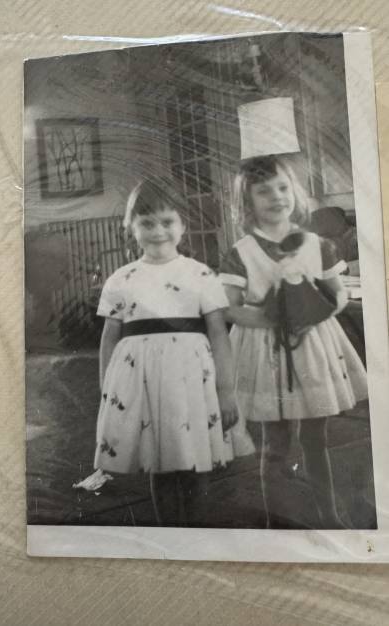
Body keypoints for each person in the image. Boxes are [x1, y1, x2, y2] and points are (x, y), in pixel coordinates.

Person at [94, 178, 254, 527]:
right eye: (147, 223)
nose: (158, 231)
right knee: (161, 462)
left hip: (192, 382)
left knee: (197, 461)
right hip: (143, 384)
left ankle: (196, 531)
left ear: (183, 225)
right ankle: (169, 533)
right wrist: (108, 389)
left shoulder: (200, 274)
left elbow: (218, 334)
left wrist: (226, 390)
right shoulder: (121, 279)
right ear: (131, 227)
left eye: (167, 222)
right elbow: (110, 337)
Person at [219, 155, 367, 529]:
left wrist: (314, 309)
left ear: (295, 192)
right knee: (275, 443)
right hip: (267, 354)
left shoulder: (317, 245)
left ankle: (328, 515)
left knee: (316, 437)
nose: (276, 197)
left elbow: (338, 294)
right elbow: (229, 308)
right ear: (246, 202)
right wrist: (270, 317)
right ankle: (276, 522)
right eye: (263, 191)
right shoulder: (241, 253)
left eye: (283, 188)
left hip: (312, 348)